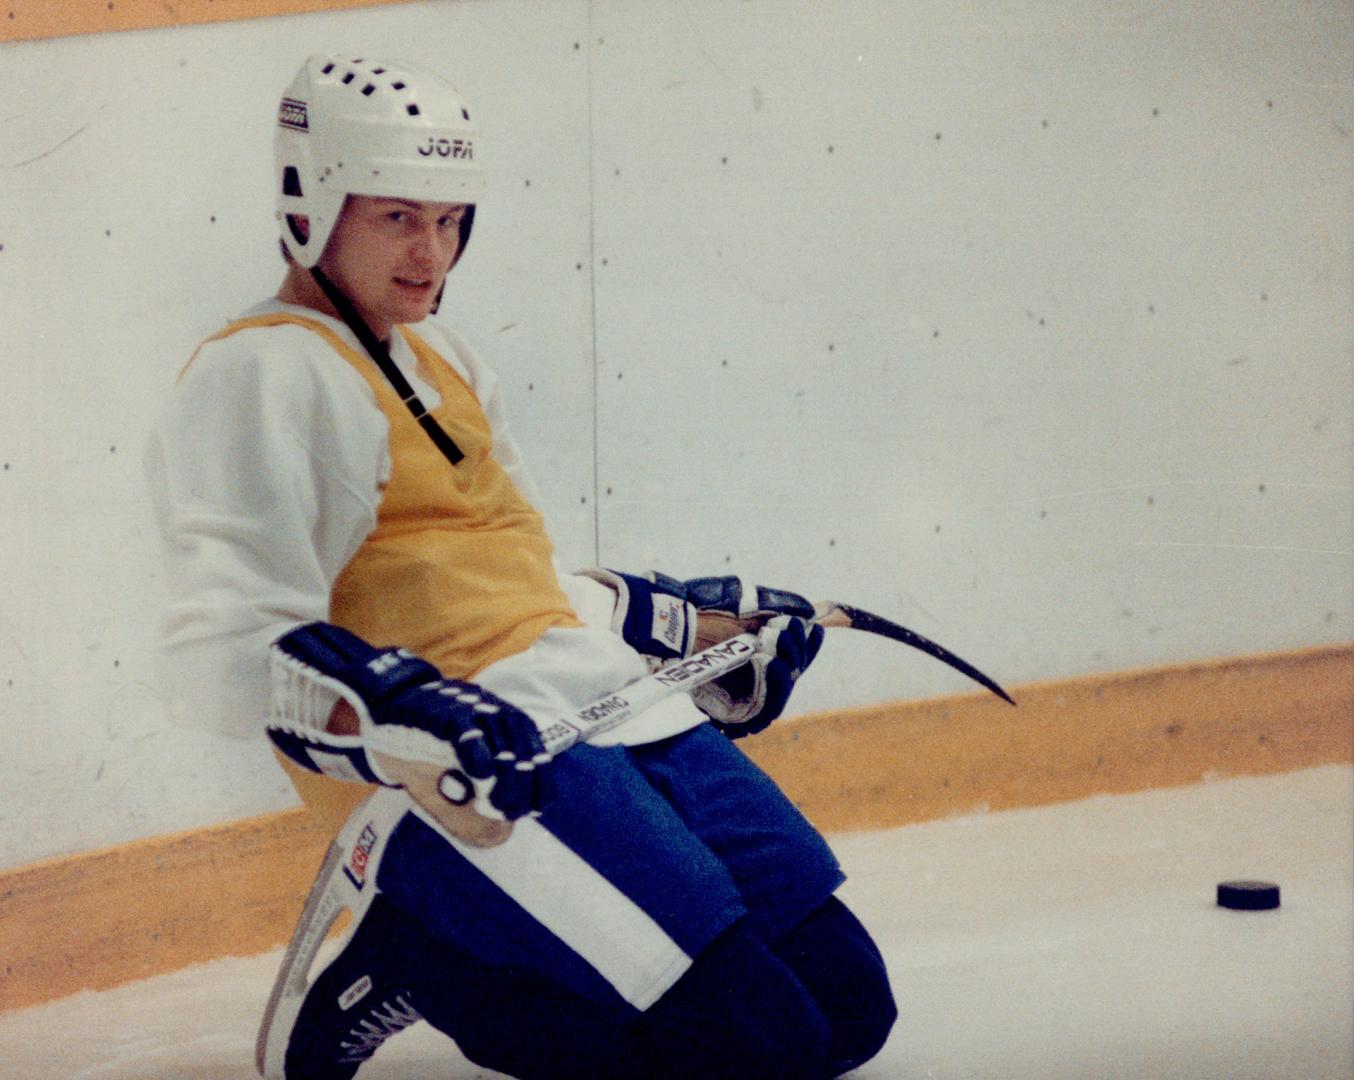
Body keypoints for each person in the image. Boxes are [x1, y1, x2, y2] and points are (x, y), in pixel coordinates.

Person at [145, 54, 895, 1079]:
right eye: (397, 218)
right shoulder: (259, 374)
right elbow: (218, 657)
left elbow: (506, 574)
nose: (430, 253)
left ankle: (451, 950)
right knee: (755, 1048)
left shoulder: (444, 358)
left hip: (591, 705)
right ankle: (436, 953)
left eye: (450, 220)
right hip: (459, 777)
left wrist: (672, 625)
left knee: (847, 1009)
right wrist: (400, 711)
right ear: (311, 207)